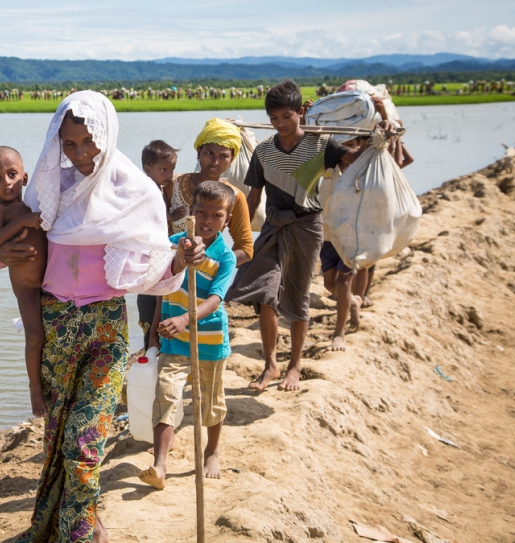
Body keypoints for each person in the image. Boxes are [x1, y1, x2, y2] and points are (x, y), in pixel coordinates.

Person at [0, 90, 205, 543]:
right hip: (56, 323)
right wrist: (2, 249)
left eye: (89, 141)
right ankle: (72, 522)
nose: (81, 153)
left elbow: (151, 267)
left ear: (107, 134)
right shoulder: (53, 188)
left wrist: (182, 260)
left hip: (105, 327)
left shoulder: (136, 191)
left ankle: (83, 533)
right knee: (57, 439)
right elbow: (19, 247)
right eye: (69, 145)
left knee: (84, 442)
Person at [225, 80, 380, 392]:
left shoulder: (321, 146)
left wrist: (376, 139)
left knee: (296, 296)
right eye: (274, 119)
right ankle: (270, 364)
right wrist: (238, 236)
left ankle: (294, 366)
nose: (281, 124)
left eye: (287, 117)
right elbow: (253, 198)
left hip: (307, 228)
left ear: (300, 113)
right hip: (272, 229)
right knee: (266, 294)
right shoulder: (264, 152)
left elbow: (354, 161)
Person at [138, 181, 237, 490]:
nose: (206, 221)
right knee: (166, 395)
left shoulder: (225, 257)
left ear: (227, 220)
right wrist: (154, 331)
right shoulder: (174, 244)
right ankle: (160, 464)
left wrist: (185, 318)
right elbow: (160, 291)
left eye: (215, 215)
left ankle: (211, 451)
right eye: (200, 212)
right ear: (190, 213)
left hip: (209, 342)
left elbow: (216, 300)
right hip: (173, 340)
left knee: (211, 402)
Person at [0, 146, 48, 417]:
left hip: (50, 283)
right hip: (26, 287)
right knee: (34, 336)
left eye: (12, 174)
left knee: (50, 333)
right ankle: (34, 388)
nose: (6, 182)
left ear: (25, 177)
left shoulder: (36, 200)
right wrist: (24, 222)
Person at [164, 118, 254, 267]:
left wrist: (210, 265)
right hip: (168, 269)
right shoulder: (172, 185)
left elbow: (245, 249)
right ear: (198, 153)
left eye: (223, 156)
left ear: (232, 159)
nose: (215, 162)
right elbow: (151, 229)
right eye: (209, 153)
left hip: (203, 276)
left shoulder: (235, 197)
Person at [137, 139, 179, 350]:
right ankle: (150, 347)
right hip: (148, 258)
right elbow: (150, 217)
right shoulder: (146, 189)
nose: (169, 175)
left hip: (158, 257)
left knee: (157, 304)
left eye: (172, 170)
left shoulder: (159, 187)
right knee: (150, 303)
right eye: (163, 169)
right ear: (147, 168)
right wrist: (170, 216)